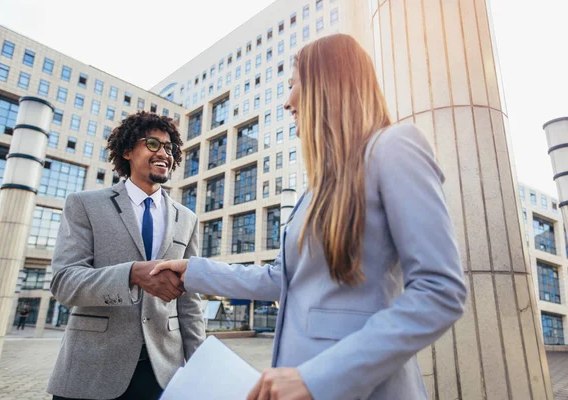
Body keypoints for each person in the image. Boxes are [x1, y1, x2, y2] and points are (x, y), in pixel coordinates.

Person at [153, 34, 467, 399]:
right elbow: (280, 278)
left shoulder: (395, 146)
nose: (288, 102)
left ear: (326, 83)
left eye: (293, 86)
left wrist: (318, 378)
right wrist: (195, 271)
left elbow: (440, 290)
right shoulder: (317, 189)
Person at [47, 112, 205, 400]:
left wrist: (199, 365)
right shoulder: (84, 205)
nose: (165, 154)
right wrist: (131, 273)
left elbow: (189, 301)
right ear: (127, 151)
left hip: (162, 372)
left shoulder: (188, 218)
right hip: (92, 369)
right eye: (153, 144)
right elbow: (64, 282)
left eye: (169, 147)